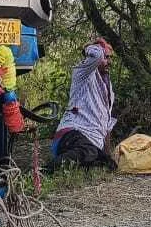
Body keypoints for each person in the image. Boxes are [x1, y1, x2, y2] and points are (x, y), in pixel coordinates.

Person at [49, 38, 118, 169]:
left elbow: (107, 126)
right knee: (88, 151)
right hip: (71, 134)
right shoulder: (82, 73)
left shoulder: (108, 89)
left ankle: (73, 164)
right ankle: (44, 170)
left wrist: (107, 155)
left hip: (91, 143)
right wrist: (99, 45)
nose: (109, 62)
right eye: (106, 57)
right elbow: (96, 55)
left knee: (108, 164)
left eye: (110, 58)